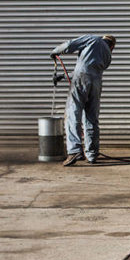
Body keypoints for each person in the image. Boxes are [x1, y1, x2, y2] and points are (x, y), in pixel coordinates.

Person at [50, 34, 116, 166]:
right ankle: (91, 154)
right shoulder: (108, 55)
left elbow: (70, 45)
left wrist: (55, 51)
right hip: (96, 84)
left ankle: (74, 150)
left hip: (81, 80)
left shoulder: (93, 39)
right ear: (112, 45)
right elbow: (89, 70)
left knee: (72, 114)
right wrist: (63, 76)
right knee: (91, 118)